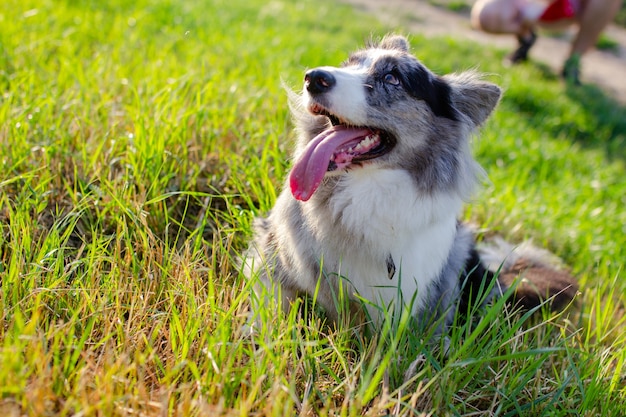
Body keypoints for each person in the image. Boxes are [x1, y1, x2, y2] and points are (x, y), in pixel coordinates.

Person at [471, 0, 623, 84]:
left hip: (573, 7)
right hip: (532, 5)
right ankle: (525, 37)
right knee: (488, 15)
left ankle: (573, 61)